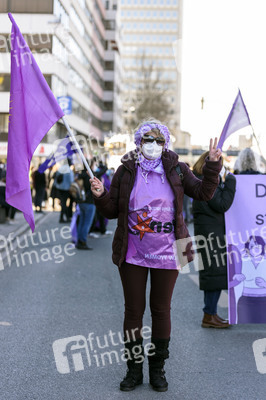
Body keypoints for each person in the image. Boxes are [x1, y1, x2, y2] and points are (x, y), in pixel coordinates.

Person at [89, 119, 222, 392]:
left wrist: (212, 165)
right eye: (147, 140)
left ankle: (158, 370)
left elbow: (205, 193)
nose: (153, 145)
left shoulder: (178, 168)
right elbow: (112, 210)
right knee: (133, 311)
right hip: (133, 252)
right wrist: (101, 195)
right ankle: (133, 371)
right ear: (139, 142)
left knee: (161, 310)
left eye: (158, 140)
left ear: (166, 143)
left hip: (169, 252)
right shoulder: (126, 170)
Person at [192, 152, 236, 328]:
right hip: (210, 234)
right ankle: (209, 315)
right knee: (214, 274)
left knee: (213, 273)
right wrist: (231, 182)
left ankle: (210, 313)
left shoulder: (200, 179)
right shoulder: (206, 181)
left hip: (208, 232)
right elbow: (222, 204)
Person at [233, 236, 266, 323]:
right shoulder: (242, 262)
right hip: (245, 299)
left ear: (262, 247)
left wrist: (264, 284)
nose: (255, 249)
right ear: (248, 248)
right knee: (244, 322)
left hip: (263, 299)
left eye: (258, 246)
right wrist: (236, 277)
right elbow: (233, 275)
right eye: (252, 246)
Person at [75, 166, 96, 250]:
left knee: (81, 222)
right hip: (89, 202)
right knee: (86, 224)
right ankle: (83, 242)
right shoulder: (90, 176)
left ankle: (79, 241)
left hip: (81, 202)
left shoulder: (79, 175)